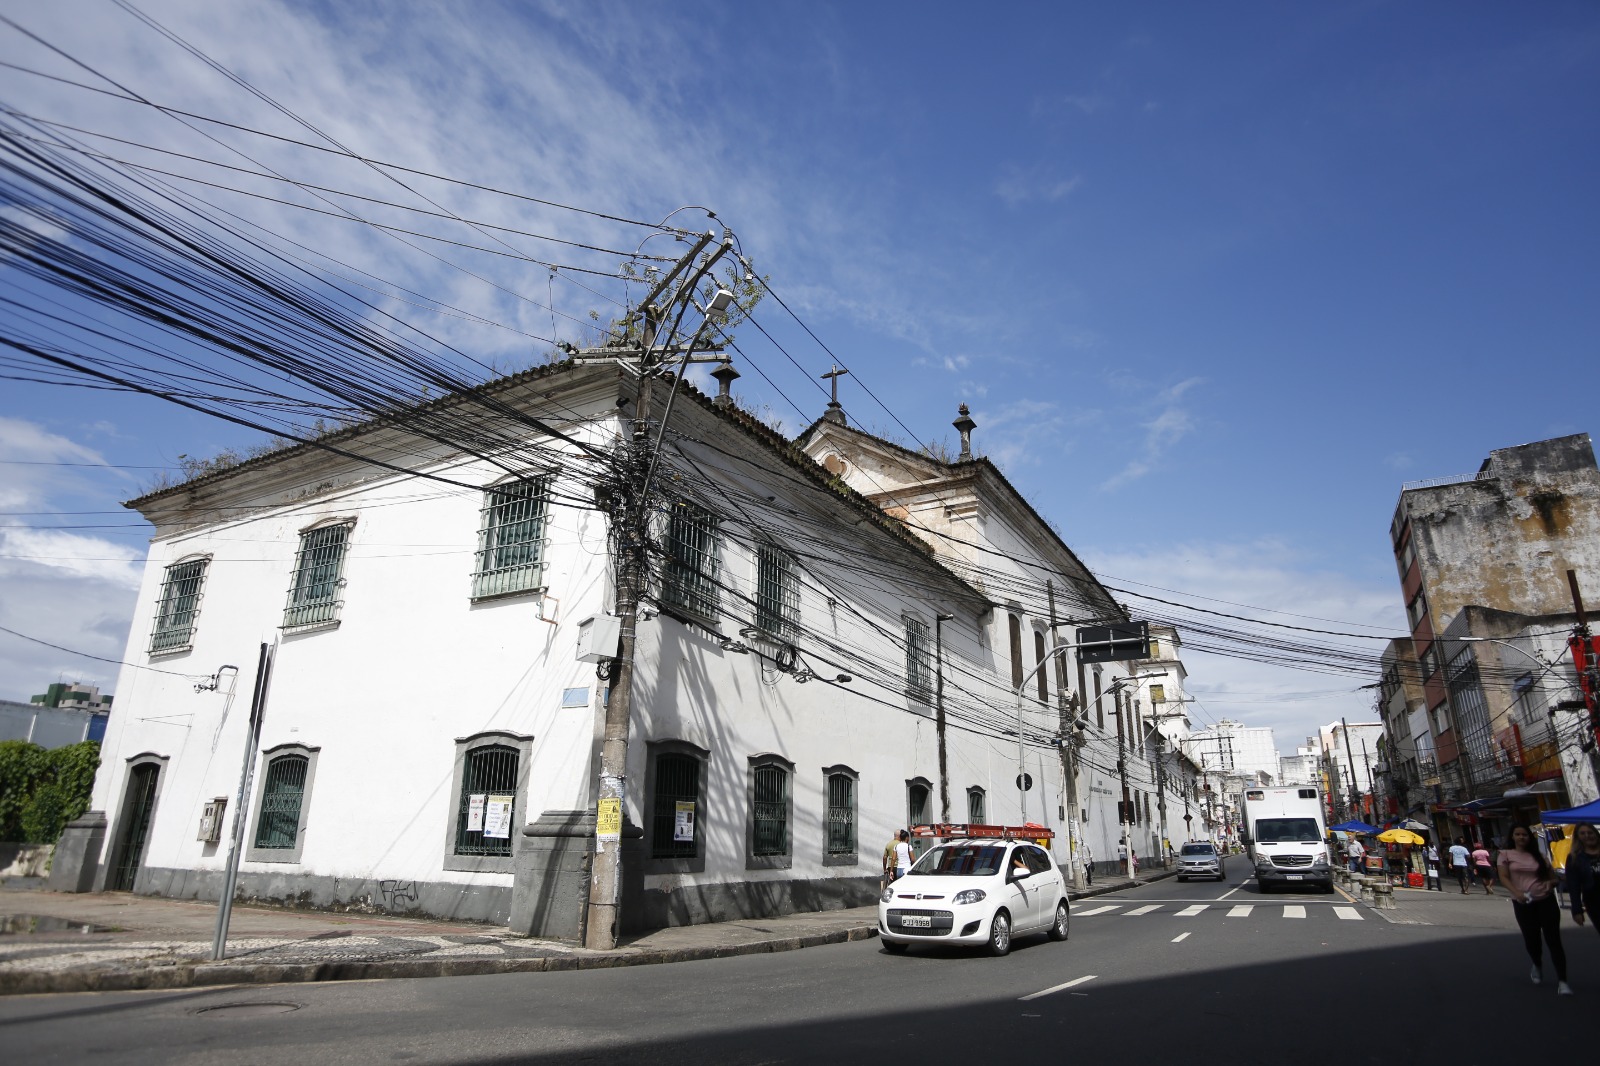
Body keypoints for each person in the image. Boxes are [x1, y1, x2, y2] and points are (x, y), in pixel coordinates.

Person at [1497, 825, 1570, 994]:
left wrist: (1550, 883)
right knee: (1532, 940)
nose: (1522, 837)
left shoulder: (1540, 856)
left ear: (1530, 837)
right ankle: (1537, 963)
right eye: (1518, 834)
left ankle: (1563, 981)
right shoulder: (1505, 855)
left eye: (1525, 834)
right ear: (1512, 837)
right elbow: (1503, 877)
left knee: (1554, 940)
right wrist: (1516, 893)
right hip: (1523, 903)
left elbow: (1553, 878)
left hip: (1546, 900)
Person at [1566, 823, 1600, 935]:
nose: (1587, 836)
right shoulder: (1574, 858)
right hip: (1595, 902)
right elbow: (1573, 886)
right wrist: (1577, 910)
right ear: (1578, 837)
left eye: (1590, 832)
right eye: (1583, 833)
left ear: (1595, 834)